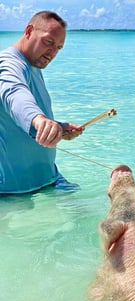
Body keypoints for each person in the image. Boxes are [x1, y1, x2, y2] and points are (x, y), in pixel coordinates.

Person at [0, 11, 84, 194]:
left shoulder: (34, 65)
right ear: (29, 31)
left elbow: (20, 121)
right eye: (49, 42)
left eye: (59, 48)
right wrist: (39, 120)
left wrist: (57, 128)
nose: (52, 53)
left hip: (50, 179)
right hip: (14, 193)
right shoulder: (8, 64)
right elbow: (14, 94)